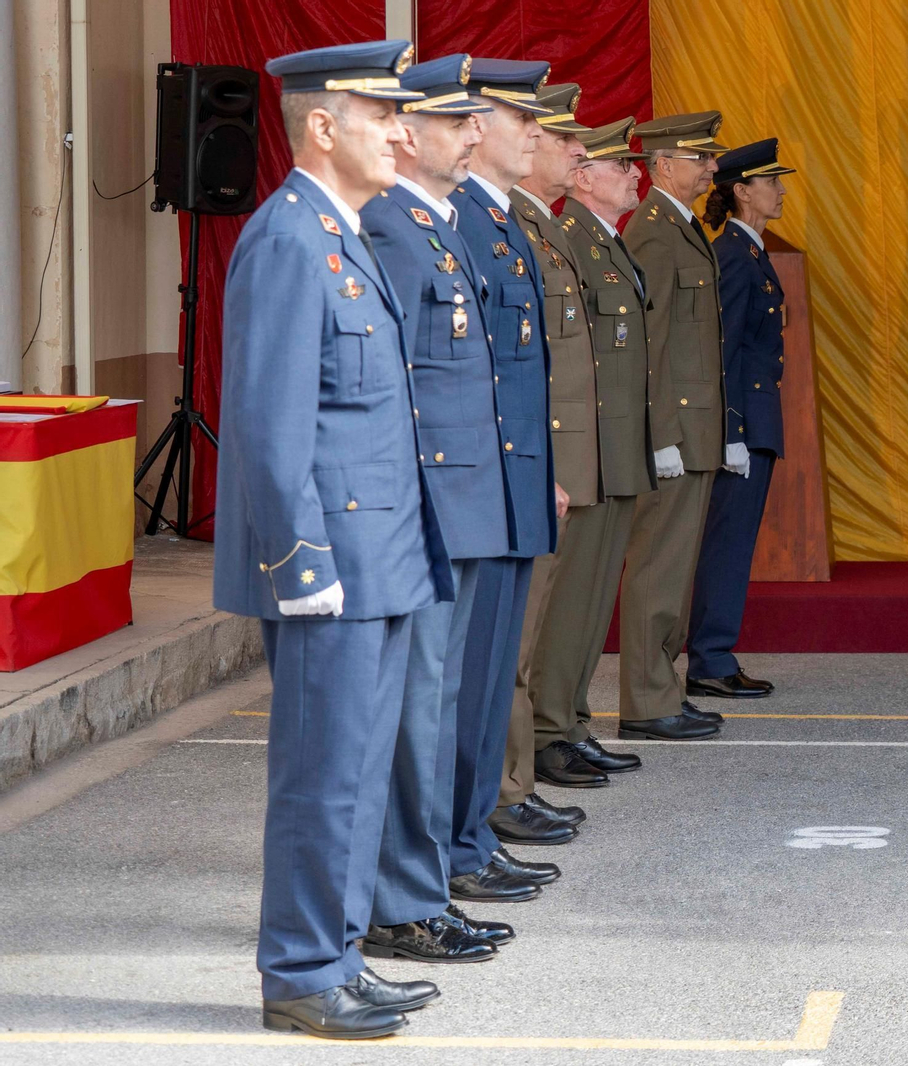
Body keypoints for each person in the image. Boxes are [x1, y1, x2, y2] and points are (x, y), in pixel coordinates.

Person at [215, 39, 450, 1039]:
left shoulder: (343, 232)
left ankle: (340, 956)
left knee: (357, 772)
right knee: (322, 774)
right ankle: (303, 969)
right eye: (382, 114)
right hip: (334, 566)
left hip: (383, 559)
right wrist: (296, 562)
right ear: (322, 125)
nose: (403, 131)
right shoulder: (287, 238)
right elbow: (271, 427)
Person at [358, 53, 544, 969]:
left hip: (468, 494)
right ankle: (407, 896)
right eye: (456, 121)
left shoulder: (437, 227)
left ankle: (424, 884)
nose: (475, 133)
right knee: (421, 712)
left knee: (441, 704)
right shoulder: (394, 226)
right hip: (433, 502)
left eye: (477, 121)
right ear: (407, 134)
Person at [500, 93, 662, 794]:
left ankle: (560, 725)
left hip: (585, 450)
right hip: (556, 456)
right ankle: (536, 746)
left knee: (581, 603)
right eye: (558, 137)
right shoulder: (523, 227)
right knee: (539, 620)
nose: (575, 150)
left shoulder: (551, 232)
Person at [443, 60, 579, 898]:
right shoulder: (456, 220)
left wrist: (546, 473)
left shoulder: (500, 223)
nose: (535, 131)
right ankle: (455, 846)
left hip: (515, 482)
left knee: (490, 676)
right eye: (516, 116)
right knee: (467, 680)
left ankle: (468, 837)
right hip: (479, 490)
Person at [618, 112, 733, 739]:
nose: (712, 168)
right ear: (663, 164)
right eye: (701, 157)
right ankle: (645, 700)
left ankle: (662, 685)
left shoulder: (679, 228)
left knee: (675, 567)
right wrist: (660, 434)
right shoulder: (655, 234)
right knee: (657, 567)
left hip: (695, 429)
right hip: (676, 431)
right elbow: (651, 345)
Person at [686, 139, 796, 698]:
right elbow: (721, 351)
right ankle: (709, 658)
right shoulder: (732, 255)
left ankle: (713, 654)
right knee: (727, 543)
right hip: (742, 425)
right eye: (772, 182)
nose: (781, 190)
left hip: (755, 420)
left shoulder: (751, 250)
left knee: (734, 541)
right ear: (742, 190)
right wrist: (729, 431)